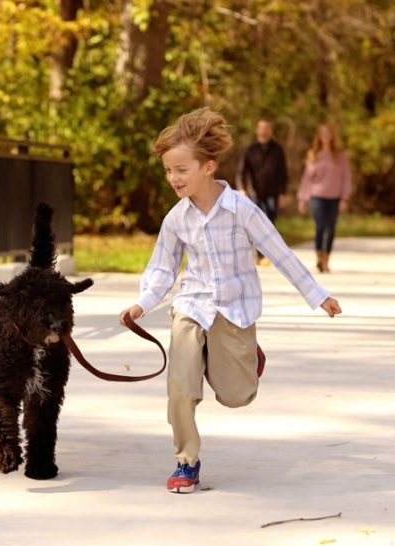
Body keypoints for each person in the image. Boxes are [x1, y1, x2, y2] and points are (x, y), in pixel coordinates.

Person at [119, 108, 343, 494]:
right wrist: (142, 304)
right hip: (192, 305)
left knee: (236, 395)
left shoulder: (242, 210)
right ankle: (186, 462)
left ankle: (243, 357)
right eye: (169, 171)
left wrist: (318, 296)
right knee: (180, 386)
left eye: (181, 170)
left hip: (235, 309)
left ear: (208, 167)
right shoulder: (176, 219)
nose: (173, 178)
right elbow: (162, 268)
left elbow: (280, 253)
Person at [297, 123, 352, 273]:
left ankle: (327, 259)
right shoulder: (314, 155)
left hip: (334, 197)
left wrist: (345, 198)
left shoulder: (340, 156)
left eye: (328, 133)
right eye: (323, 134)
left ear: (332, 136)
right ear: (319, 137)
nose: (326, 136)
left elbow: (346, 178)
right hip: (317, 196)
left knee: (331, 228)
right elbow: (307, 179)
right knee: (320, 227)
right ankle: (319, 258)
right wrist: (302, 198)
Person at [236, 118, 288, 223]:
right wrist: (241, 188)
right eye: (262, 128)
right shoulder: (250, 149)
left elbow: (283, 173)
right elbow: (241, 171)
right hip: (253, 193)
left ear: (271, 131)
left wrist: (283, 193)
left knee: (270, 222)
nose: (264, 131)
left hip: (272, 193)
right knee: (255, 222)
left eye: (267, 128)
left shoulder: (277, 149)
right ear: (257, 130)